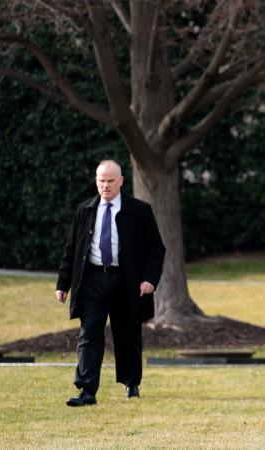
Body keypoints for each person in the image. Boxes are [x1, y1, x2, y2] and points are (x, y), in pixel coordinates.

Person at [55, 160, 165, 406]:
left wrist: (150, 279)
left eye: (110, 181)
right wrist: (63, 284)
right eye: (101, 181)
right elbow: (71, 250)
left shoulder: (140, 211)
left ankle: (131, 383)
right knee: (89, 333)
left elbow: (156, 249)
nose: (105, 186)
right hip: (92, 280)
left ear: (121, 181)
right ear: (96, 181)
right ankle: (87, 391)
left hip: (126, 280)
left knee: (127, 335)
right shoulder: (85, 210)